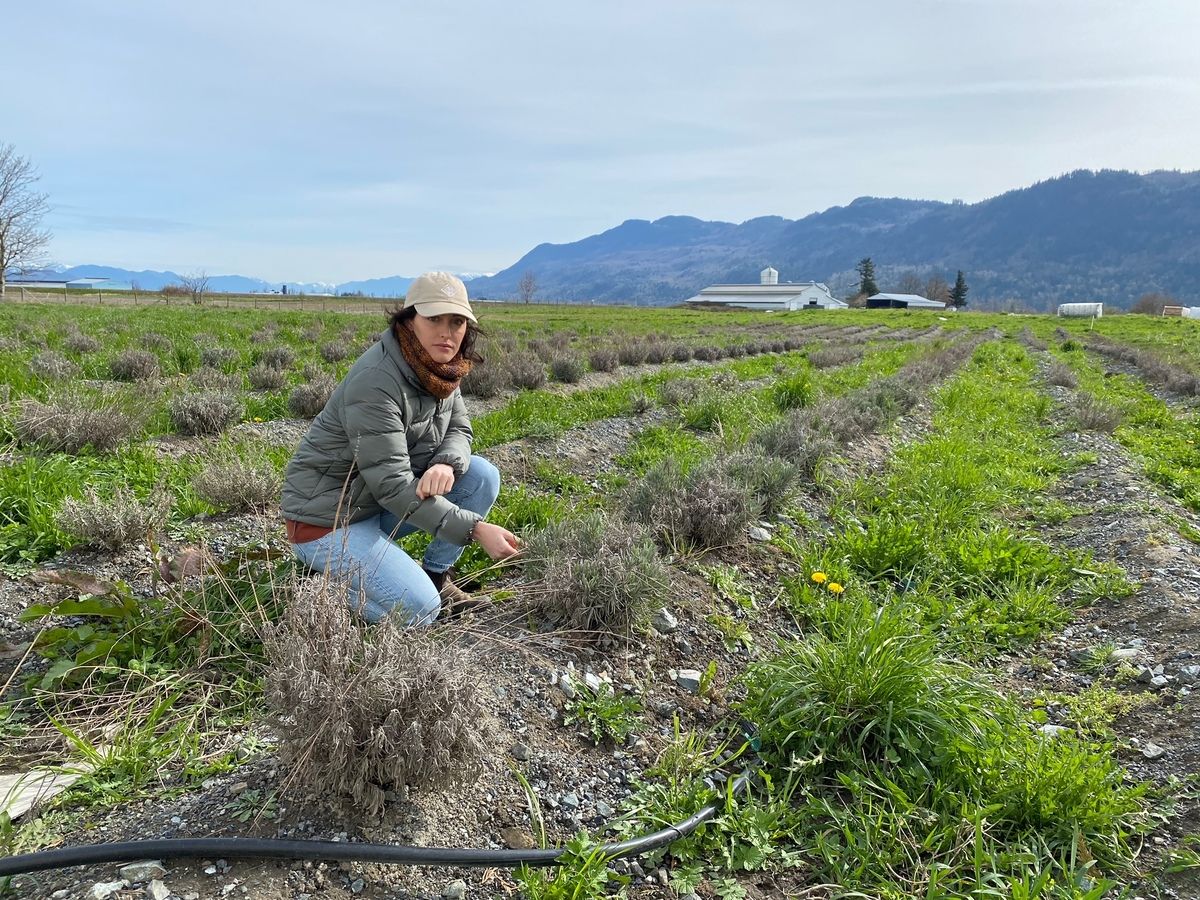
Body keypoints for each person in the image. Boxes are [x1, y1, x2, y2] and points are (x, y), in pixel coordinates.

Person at [281, 271, 521, 624]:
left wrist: (446, 464)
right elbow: (393, 486)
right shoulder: (377, 381)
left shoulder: (439, 370)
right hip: (328, 520)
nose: (446, 331)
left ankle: (436, 578)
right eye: (433, 318)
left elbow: (460, 427)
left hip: (373, 504)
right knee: (419, 611)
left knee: (481, 475)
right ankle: (323, 586)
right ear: (409, 321)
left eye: (456, 321)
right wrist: (474, 529)